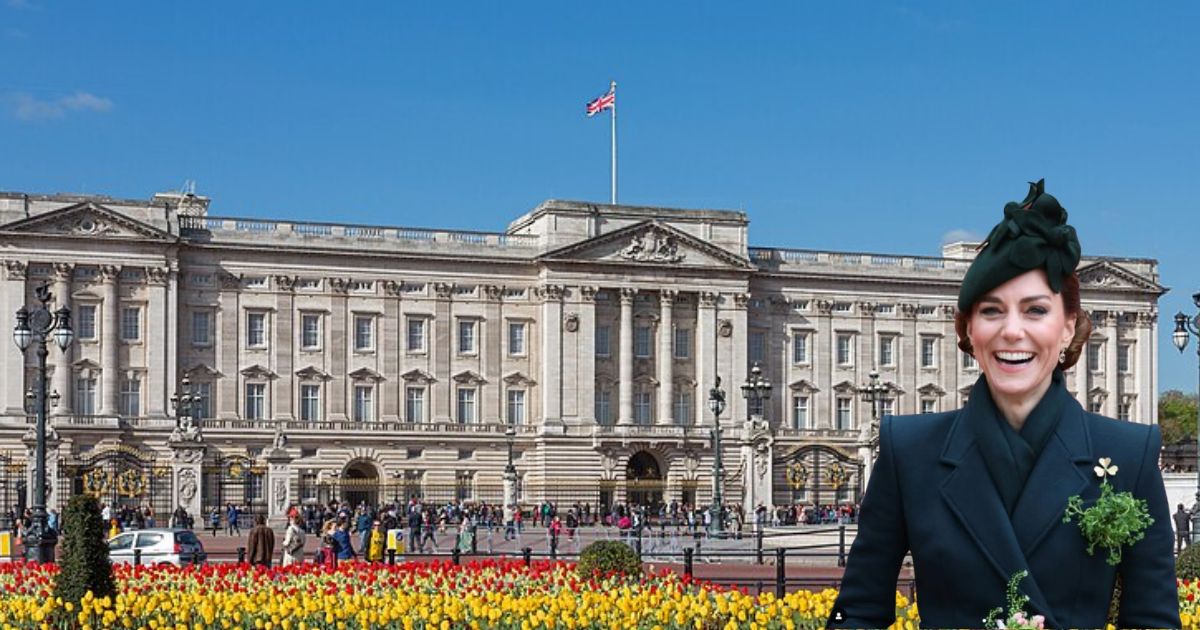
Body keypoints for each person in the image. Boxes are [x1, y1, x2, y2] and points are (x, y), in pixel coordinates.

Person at [829, 180, 1179, 629]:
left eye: (1035, 310)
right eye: (992, 311)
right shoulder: (909, 450)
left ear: (1068, 328)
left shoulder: (1130, 453)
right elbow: (859, 613)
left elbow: (1152, 622)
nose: (1012, 331)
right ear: (969, 330)